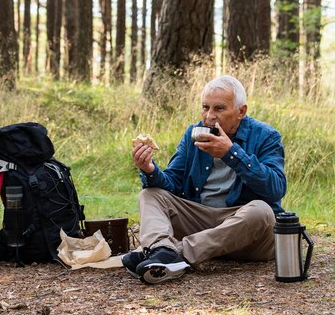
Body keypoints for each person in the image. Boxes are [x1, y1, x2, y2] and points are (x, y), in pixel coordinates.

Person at [122, 75, 286, 284]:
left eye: (219, 108)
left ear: (241, 112)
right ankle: (161, 250)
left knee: (261, 211)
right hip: (202, 221)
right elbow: (173, 184)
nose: (209, 116)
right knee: (151, 194)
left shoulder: (266, 136)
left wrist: (231, 153)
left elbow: (276, 188)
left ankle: (171, 254)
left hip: (245, 232)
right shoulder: (194, 133)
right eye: (205, 107)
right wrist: (150, 170)